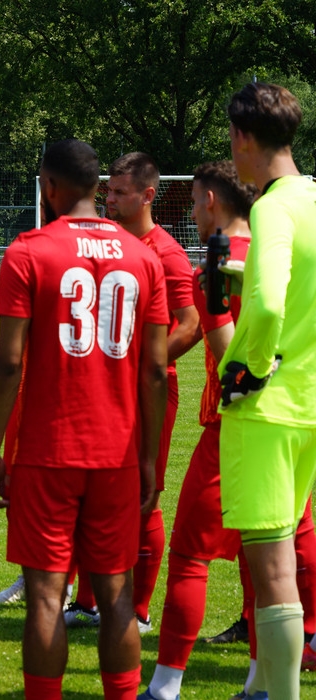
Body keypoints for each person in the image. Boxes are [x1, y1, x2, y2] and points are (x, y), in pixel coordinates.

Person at [0, 138, 169, 699]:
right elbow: (155, 371)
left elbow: (10, 360)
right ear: (98, 189)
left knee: (44, 596)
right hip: (117, 451)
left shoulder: (28, 250)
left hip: (47, 449)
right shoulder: (145, 257)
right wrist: (150, 458)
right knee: (117, 594)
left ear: (49, 186)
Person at [136, 160, 257, 700]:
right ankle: (265, 679)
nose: (191, 215)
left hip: (236, 422)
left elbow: (226, 354)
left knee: (189, 556)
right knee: (273, 552)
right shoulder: (290, 257)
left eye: (193, 204)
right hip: (296, 424)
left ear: (211, 200)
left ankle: (165, 685)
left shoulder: (215, 262)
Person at [65, 152, 199, 633]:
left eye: (120, 193)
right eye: (108, 191)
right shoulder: (107, 242)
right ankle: (86, 602)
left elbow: (192, 323)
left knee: (145, 497)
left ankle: (139, 611)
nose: (110, 200)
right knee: (92, 493)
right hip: (103, 390)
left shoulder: (165, 251)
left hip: (148, 393)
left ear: (148, 195)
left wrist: (146, 363)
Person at [218, 81, 316, 700]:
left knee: (272, 568)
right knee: (286, 564)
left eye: (232, 139)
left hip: (268, 408)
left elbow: (268, 299)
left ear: (247, 137)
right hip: (309, 405)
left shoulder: (272, 206)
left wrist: (250, 366)